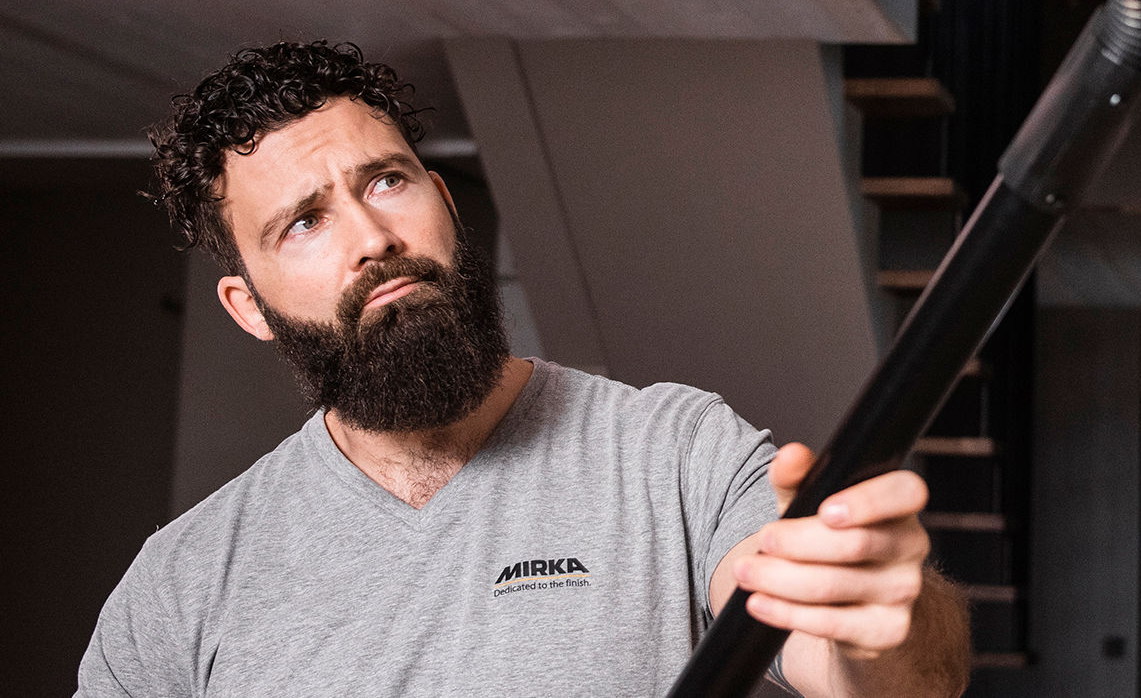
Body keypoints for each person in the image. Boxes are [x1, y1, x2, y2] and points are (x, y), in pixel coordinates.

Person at [78, 41, 969, 697]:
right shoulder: (184, 581)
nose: (373, 239)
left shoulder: (671, 451)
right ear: (248, 308)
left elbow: (884, 673)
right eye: (303, 222)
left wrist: (865, 613)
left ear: (442, 201)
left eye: (386, 181)